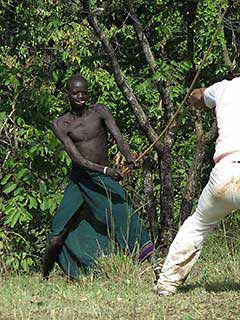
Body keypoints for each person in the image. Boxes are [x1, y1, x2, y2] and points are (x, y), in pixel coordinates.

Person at [43, 74, 155, 279]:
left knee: (125, 213)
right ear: (67, 95)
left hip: (103, 177)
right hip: (80, 179)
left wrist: (129, 157)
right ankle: (44, 276)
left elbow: (118, 136)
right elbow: (78, 160)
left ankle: (156, 267)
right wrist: (106, 171)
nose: (80, 97)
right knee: (56, 235)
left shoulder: (100, 111)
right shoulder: (61, 124)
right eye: (75, 93)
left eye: (84, 92)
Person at [154, 76, 240, 296]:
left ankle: (167, 283)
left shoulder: (224, 88)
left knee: (197, 224)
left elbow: (197, 95)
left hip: (224, 171)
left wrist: (197, 97)